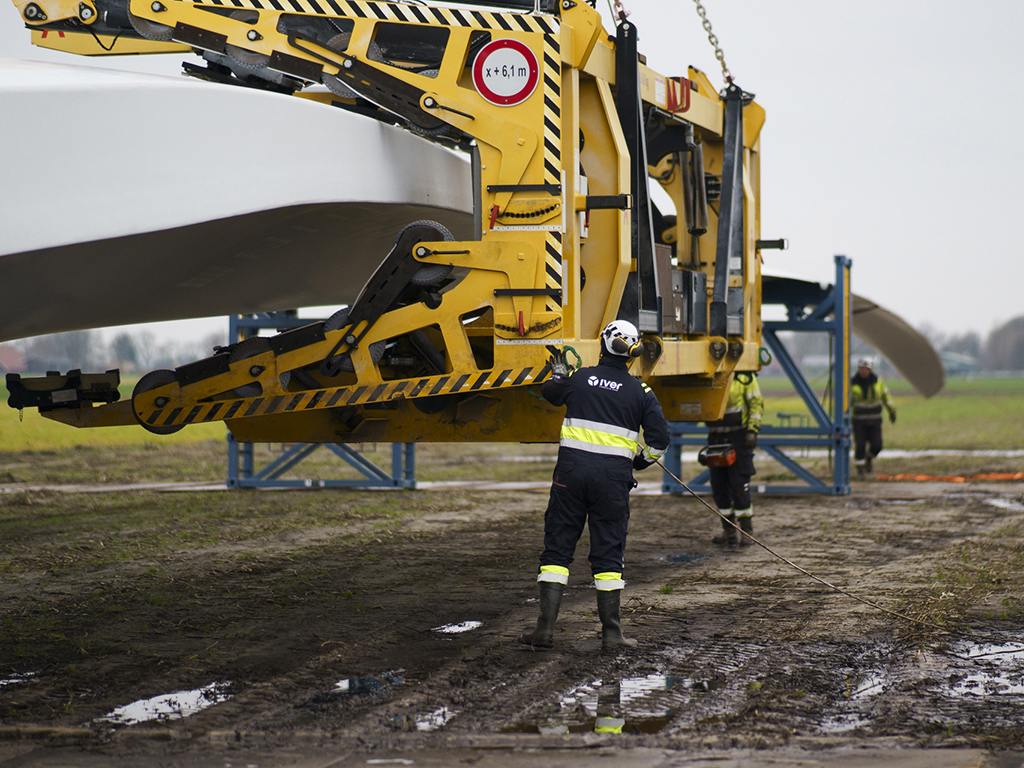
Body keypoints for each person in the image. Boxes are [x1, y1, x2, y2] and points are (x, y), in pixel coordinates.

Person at [520, 320, 670, 652]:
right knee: (607, 556)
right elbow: (660, 441)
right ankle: (612, 635)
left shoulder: (581, 378)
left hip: (569, 476)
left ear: (602, 345)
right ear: (631, 355)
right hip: (612, 482)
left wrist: (558, 374)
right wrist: (639, 461)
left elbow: (550, 392)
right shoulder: (641, 393)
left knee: (557, 551)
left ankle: (543, 631)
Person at [705, 372, 763, 547]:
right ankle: (729, 531)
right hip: (715, 439)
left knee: (739, 486)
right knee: (719, 488)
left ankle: (747, 532)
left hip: (739, 439)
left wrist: (752, 430)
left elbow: (756, 404)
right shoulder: (709, 376)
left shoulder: (745, 378)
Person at [850, 357, 896, 478]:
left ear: (870, 370)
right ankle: (860, 470)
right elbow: (846, 402)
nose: (863, 371)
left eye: (866, 369)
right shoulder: (852, 383)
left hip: (874, 419)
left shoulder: (877, 381)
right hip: (859, 420)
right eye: (861, 369)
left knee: (877, 445)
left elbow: (886, 397)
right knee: (860, 445)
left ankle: (868, 458)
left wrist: (892, 411)